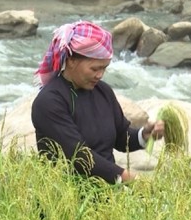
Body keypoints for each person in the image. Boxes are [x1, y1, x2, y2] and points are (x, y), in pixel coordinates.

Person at [31, 20, 164, 184]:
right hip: (66, 199)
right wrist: (126, 178)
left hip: (105, 195)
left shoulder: (103, 91)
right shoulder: (49, 101)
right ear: (71, 60)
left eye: (104, 68)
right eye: (95, 69)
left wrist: (144, 135)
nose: (100, 75)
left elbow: (121, 137)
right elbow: (78, 155)